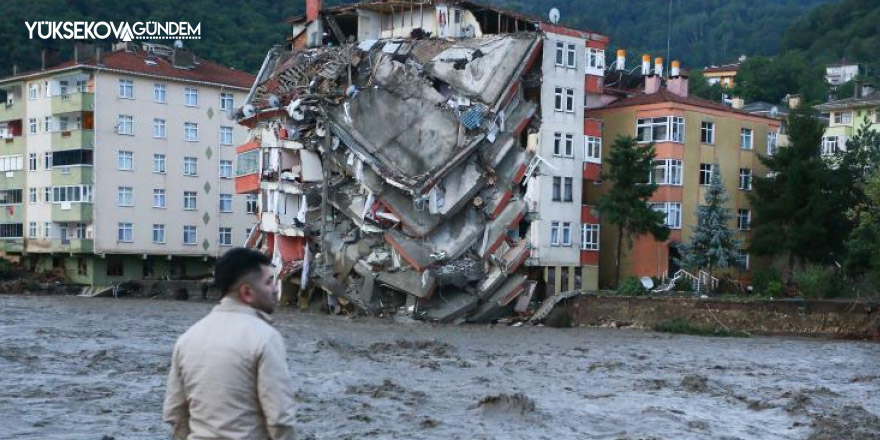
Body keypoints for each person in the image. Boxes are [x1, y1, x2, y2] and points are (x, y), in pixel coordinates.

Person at [163, 247, 296, 440]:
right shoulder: (265, 338)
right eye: (268, 282)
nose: (275, 289)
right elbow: (280, 420)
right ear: (247, 292)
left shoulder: (187, 339)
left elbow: (174, 414)